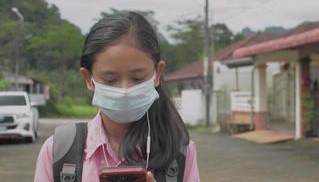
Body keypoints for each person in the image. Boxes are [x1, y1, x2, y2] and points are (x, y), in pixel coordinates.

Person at [34, 11, 200, 182]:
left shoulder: (181, 154)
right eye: (110, 80)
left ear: (157, 74)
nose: (125, 91)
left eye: (137, 78)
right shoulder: (58, 152)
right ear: (88, 79)